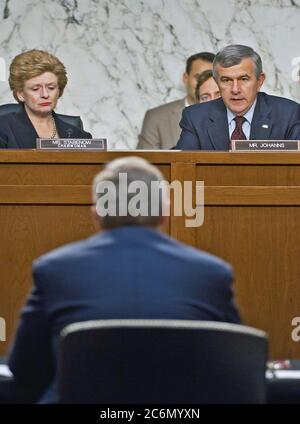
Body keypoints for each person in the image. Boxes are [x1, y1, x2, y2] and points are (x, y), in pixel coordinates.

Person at [0, 156, 240, 403]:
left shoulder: (55, 270)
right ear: (164, 213)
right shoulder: (210, 273)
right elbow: (235, 372)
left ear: (96, 215)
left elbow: (25, 370)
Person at [176, 45, 300, 150]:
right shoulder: (196, 117)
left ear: (260, 81)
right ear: (216, 82)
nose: (235, 89)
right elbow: (182, 165)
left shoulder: (288, 114)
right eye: (226, 80)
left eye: (244, 79)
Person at [0, 49, 92, 148]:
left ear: (59, 90)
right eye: (35, 89)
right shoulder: (3, 128)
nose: (45, 94)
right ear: (20, 94)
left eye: (51, 88)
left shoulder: (80, 136)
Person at [137, 52, 215, 149]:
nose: (205, 84)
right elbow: (144, 162)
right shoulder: (156, 118)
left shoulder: (233, 116)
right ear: (185, 78)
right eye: (199, 77)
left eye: (211, 78)